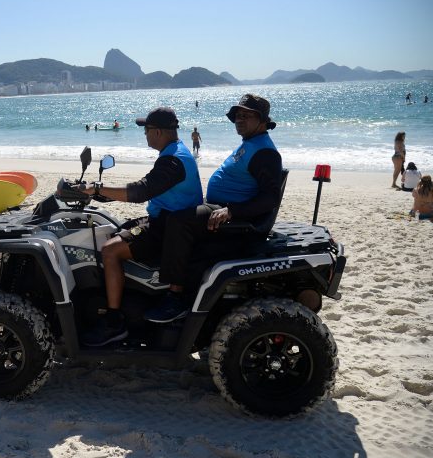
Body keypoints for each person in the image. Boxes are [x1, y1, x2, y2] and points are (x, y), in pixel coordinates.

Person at [144, 94, 283, 323]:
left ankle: (175, 297)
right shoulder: (251, 143)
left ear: (262, 120)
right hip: (221, 208)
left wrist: (232, 211)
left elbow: (270, 198)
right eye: (238, 115)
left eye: (246, 115)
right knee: (175, 215)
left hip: (232, 216)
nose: (239, 120)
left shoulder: (265, 152)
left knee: (178, 221)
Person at [78, 107, 204, 346]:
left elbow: (141, 191)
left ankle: (113, 322)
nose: (145, 134)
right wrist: (100, 194)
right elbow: (147, 188)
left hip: (166, 226)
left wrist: (97, 188)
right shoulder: (175, 152)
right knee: (113, 230)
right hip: (165, 218)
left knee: (110, 251)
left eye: (146, 130)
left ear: (158, 132)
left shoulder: (173, 160)